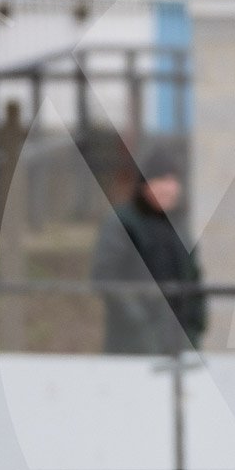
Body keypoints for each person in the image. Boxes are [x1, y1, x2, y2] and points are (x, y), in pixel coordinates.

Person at [90, 146, 205, 355]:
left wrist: (196, 328)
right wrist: (139, 324)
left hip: (178, 347)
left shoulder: (179, 226)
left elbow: (194, 279)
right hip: (131, 349)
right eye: (160, 180)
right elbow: (105, 276)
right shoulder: (122, 223)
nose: (168, 188)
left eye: (173, 181)